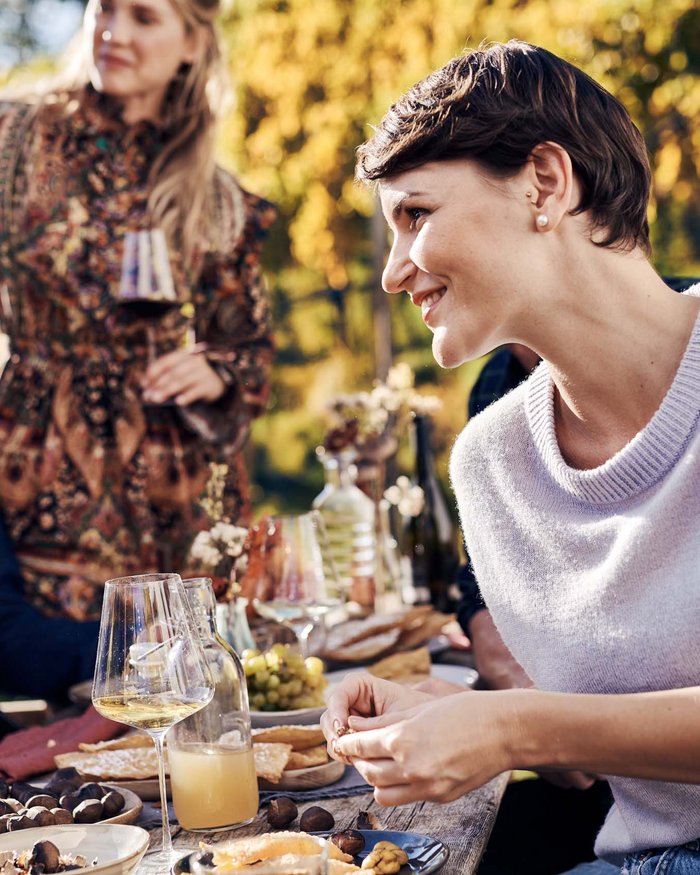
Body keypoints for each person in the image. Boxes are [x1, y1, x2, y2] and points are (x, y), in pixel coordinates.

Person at [322, 40, 700, 875]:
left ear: (545, 183)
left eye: (416, 215)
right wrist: (445, 709)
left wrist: (513, 726)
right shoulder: (493, 464)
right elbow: (589, 749)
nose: (392, 273)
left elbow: (547, 730)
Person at [0, 0, 274, 634]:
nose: (113, 33)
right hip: (38, 471)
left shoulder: (213, 193)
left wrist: (217, 371)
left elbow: (252, 350)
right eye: (105, 9)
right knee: (55, 685)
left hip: (171, 490)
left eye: (144, 17)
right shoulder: (16, 140)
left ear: (189, 42)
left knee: (169, 681)